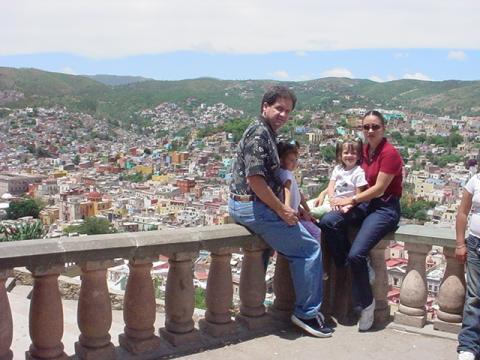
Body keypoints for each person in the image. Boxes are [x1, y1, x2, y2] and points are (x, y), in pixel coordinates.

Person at [229, 86, 332, 338]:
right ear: (265, 106)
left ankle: (250, 308)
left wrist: (295, 207)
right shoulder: (259, 134)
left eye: (287, 111)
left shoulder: (268, 134)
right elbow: (255, 180)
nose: (283, 115)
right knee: (309, 248)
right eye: (278, 108)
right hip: (252, 205)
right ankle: (307, 313)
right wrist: (283, 210)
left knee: (267, 250)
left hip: (250, 204)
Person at [319, 110, 403, 331]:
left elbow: (379, 189)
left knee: (357, 254)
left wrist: (351, 199)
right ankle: (346, 265)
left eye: (375, 126)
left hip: (384, 208)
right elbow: (345, 174)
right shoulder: (364, 151)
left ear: (384, 128)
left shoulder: (389, 153)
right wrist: (325, 194)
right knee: (328, 221)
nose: (370, 131)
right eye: (366, 127)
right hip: (363, 204)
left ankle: (367, 305)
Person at [455, 173, 480, 360]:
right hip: (476, 244)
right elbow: (463, 212)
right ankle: (468, 345)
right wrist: (460, 243)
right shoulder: (475, 180)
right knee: (474, 296)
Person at [276, 140, 320, 241]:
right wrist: (287, 209)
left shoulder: (281, 173)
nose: (295, 163)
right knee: (316, 232)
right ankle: (317, 255)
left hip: (293, 213)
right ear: (282, 160)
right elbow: (287, 190)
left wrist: (305, 210)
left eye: (296, 160)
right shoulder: (287, 174)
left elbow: (297, 195)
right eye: (291, 160)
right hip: (292, 216)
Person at [312, 137, 368, 214]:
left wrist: (349, 204)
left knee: (313, 212)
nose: (349, 155)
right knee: (310, 205)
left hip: (345, 203)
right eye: (346, 153)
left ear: (358, 156)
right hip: (332, 199)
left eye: (353, 153)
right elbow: (331, 185)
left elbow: (358, 194)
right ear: (340, 155)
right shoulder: (338, 169)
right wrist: (331, 199)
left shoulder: (358, 172)